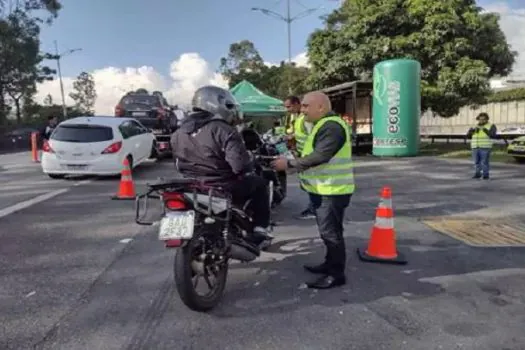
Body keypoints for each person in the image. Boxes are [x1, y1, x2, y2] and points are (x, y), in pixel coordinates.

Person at [170, 85, 273, 247]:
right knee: (259, 184)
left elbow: (177, 163)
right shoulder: (223, 129)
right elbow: (239, 166)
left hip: (191, 185)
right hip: (222, 185)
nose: (230, 110)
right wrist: (250, 161)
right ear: (216, 103)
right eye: (228, 106)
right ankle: (260, 228)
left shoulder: (178, 132)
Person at [272, 91, 354, 289]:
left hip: (333, 190)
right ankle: (329, 264)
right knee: (329, 232)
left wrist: (289, 164)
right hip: (323, 189)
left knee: (331, 234)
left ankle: (336, 274)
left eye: (307, 106)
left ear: (321, 107)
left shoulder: (332, 126)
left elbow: (321, 156)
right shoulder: (320, 125)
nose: (303, 109)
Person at [284, 95, 319, 219]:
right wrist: (292, 136)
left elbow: (313, 135)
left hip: (309, 155)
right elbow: (301, 134)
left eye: (289, 106)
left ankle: (315, 209)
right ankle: (314, 207)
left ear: (297, 104)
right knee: (307, 183)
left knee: (312, 183)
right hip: (303, 154)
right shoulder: (297, 117)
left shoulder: (306, 118)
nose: (287, 109)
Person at [467, 112, 497, 180]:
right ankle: (477, 174)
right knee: (476, 162)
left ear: (487, 119)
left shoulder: (491, 125)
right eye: (480, 119)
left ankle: (485, 175)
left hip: (485, 147)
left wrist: (484, 129)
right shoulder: (475, 126)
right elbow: (468, 136)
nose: (481, 121)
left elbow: (493, 135)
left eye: (483, 119)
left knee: (484, 162)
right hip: (475, 146)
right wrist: (470, 132)